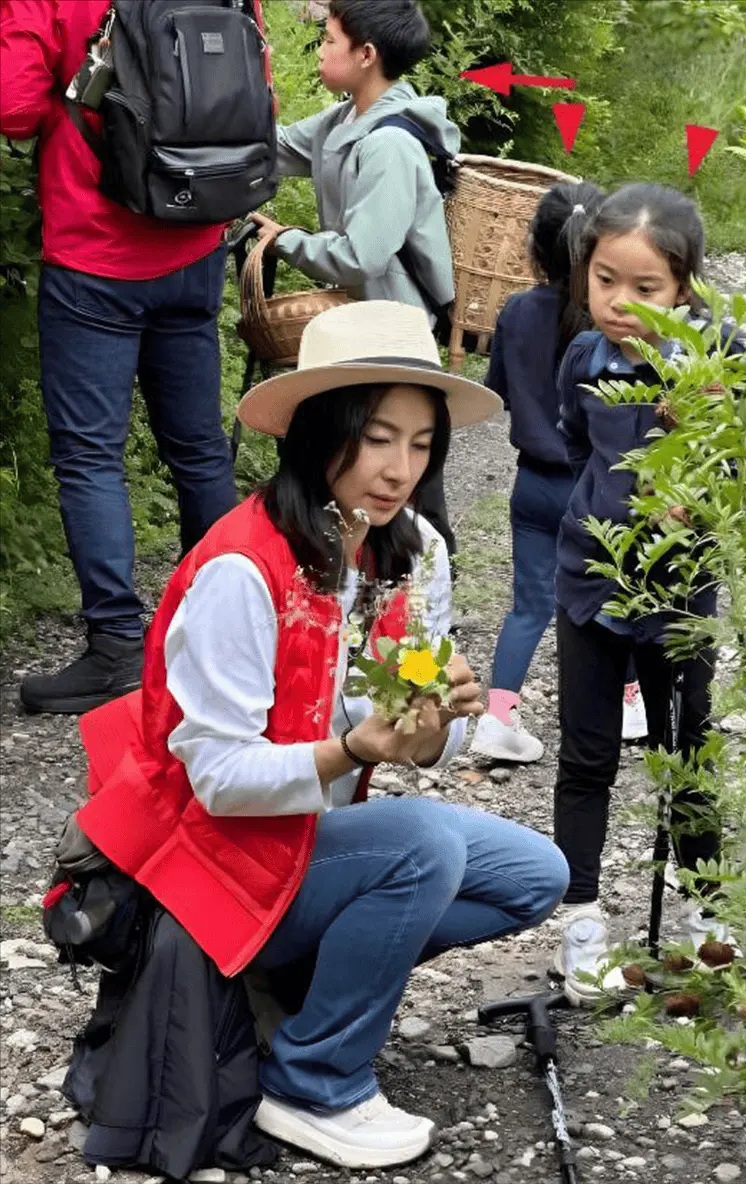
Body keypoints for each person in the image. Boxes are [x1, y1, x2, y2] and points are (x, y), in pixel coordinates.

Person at [71, 301, 570, 1170]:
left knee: (535, 876)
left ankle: (299, 986)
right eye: (376, 437)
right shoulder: (242, 567)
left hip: (304, 841)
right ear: (316, 432)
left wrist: (432, 729)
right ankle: (314, 1079)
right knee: (418, 843)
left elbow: (413, 742)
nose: (398, 469)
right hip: (200, 858)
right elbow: (217, 778)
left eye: (420, 444)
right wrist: (352, 752)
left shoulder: (411, 550)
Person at [0, 0, 249, 715]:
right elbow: (246, 80)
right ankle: (227, 628)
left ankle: (116, 646)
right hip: (197, 234)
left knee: (90, 456)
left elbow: (14, 107)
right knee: (199, 446)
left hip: (95, 251)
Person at [553, 184, 736, 1005]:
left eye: (645, 288)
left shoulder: (719, 359)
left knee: (688, 755)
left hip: (682, 589)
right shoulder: (583, 359)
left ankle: (706, 917)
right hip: (590, 578)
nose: (620, 303)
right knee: (587, 756)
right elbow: (571, 439)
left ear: (686, 285)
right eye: (604, 280)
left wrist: (701, 487)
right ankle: (583, 925)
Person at [249, 0, 458, 556]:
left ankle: (423, 610)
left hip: (397, 333)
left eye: (330, 40)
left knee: (403, 475)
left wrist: (283, 239)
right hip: (362, 327)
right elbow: (277, 147)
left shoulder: (390, 143)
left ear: (366, 55)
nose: (320, 50)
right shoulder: (345, 119)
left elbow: (361, 256)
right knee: (348, 464)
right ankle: (342, 586)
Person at [470, 181, 648, 764]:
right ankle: (626, 703)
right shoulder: (612, 333)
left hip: (533, 485)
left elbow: (497, 392)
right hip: (595, 488)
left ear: (533, 253)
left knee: (529, 603)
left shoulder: (517, 310)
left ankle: (498, 716)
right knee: (613, 594)